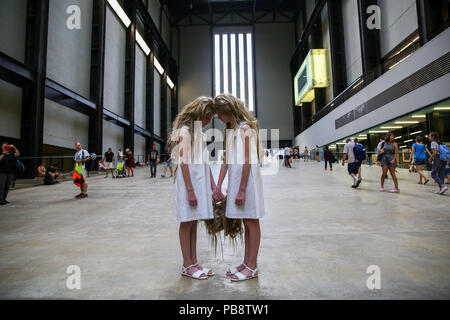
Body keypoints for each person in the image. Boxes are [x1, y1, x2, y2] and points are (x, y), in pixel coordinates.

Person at [213, 93, 265, 282]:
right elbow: (226, 160)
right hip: (238, 182)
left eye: (219, 114)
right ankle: (246, 262)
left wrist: (242, 189)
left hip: (248, 182)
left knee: (252, 222)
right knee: (246, 222)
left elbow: (248, 161)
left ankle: (253, 266)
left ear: (228, 111)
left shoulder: (246, 129)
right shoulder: (231, 130)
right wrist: (219, 185)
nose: (218, 118)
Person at [169, 96, 216, 280]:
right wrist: (190, 189)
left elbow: (204, 162)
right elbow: (183, 162)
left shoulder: (199, 133)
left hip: (198, 183)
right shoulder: (185, 132)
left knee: (194, 222)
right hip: (189, 184)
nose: (208, 121)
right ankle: (186, 264)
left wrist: (213, 185)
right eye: (207, 117)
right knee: (186, 222)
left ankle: (194, 261)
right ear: (199, 114)